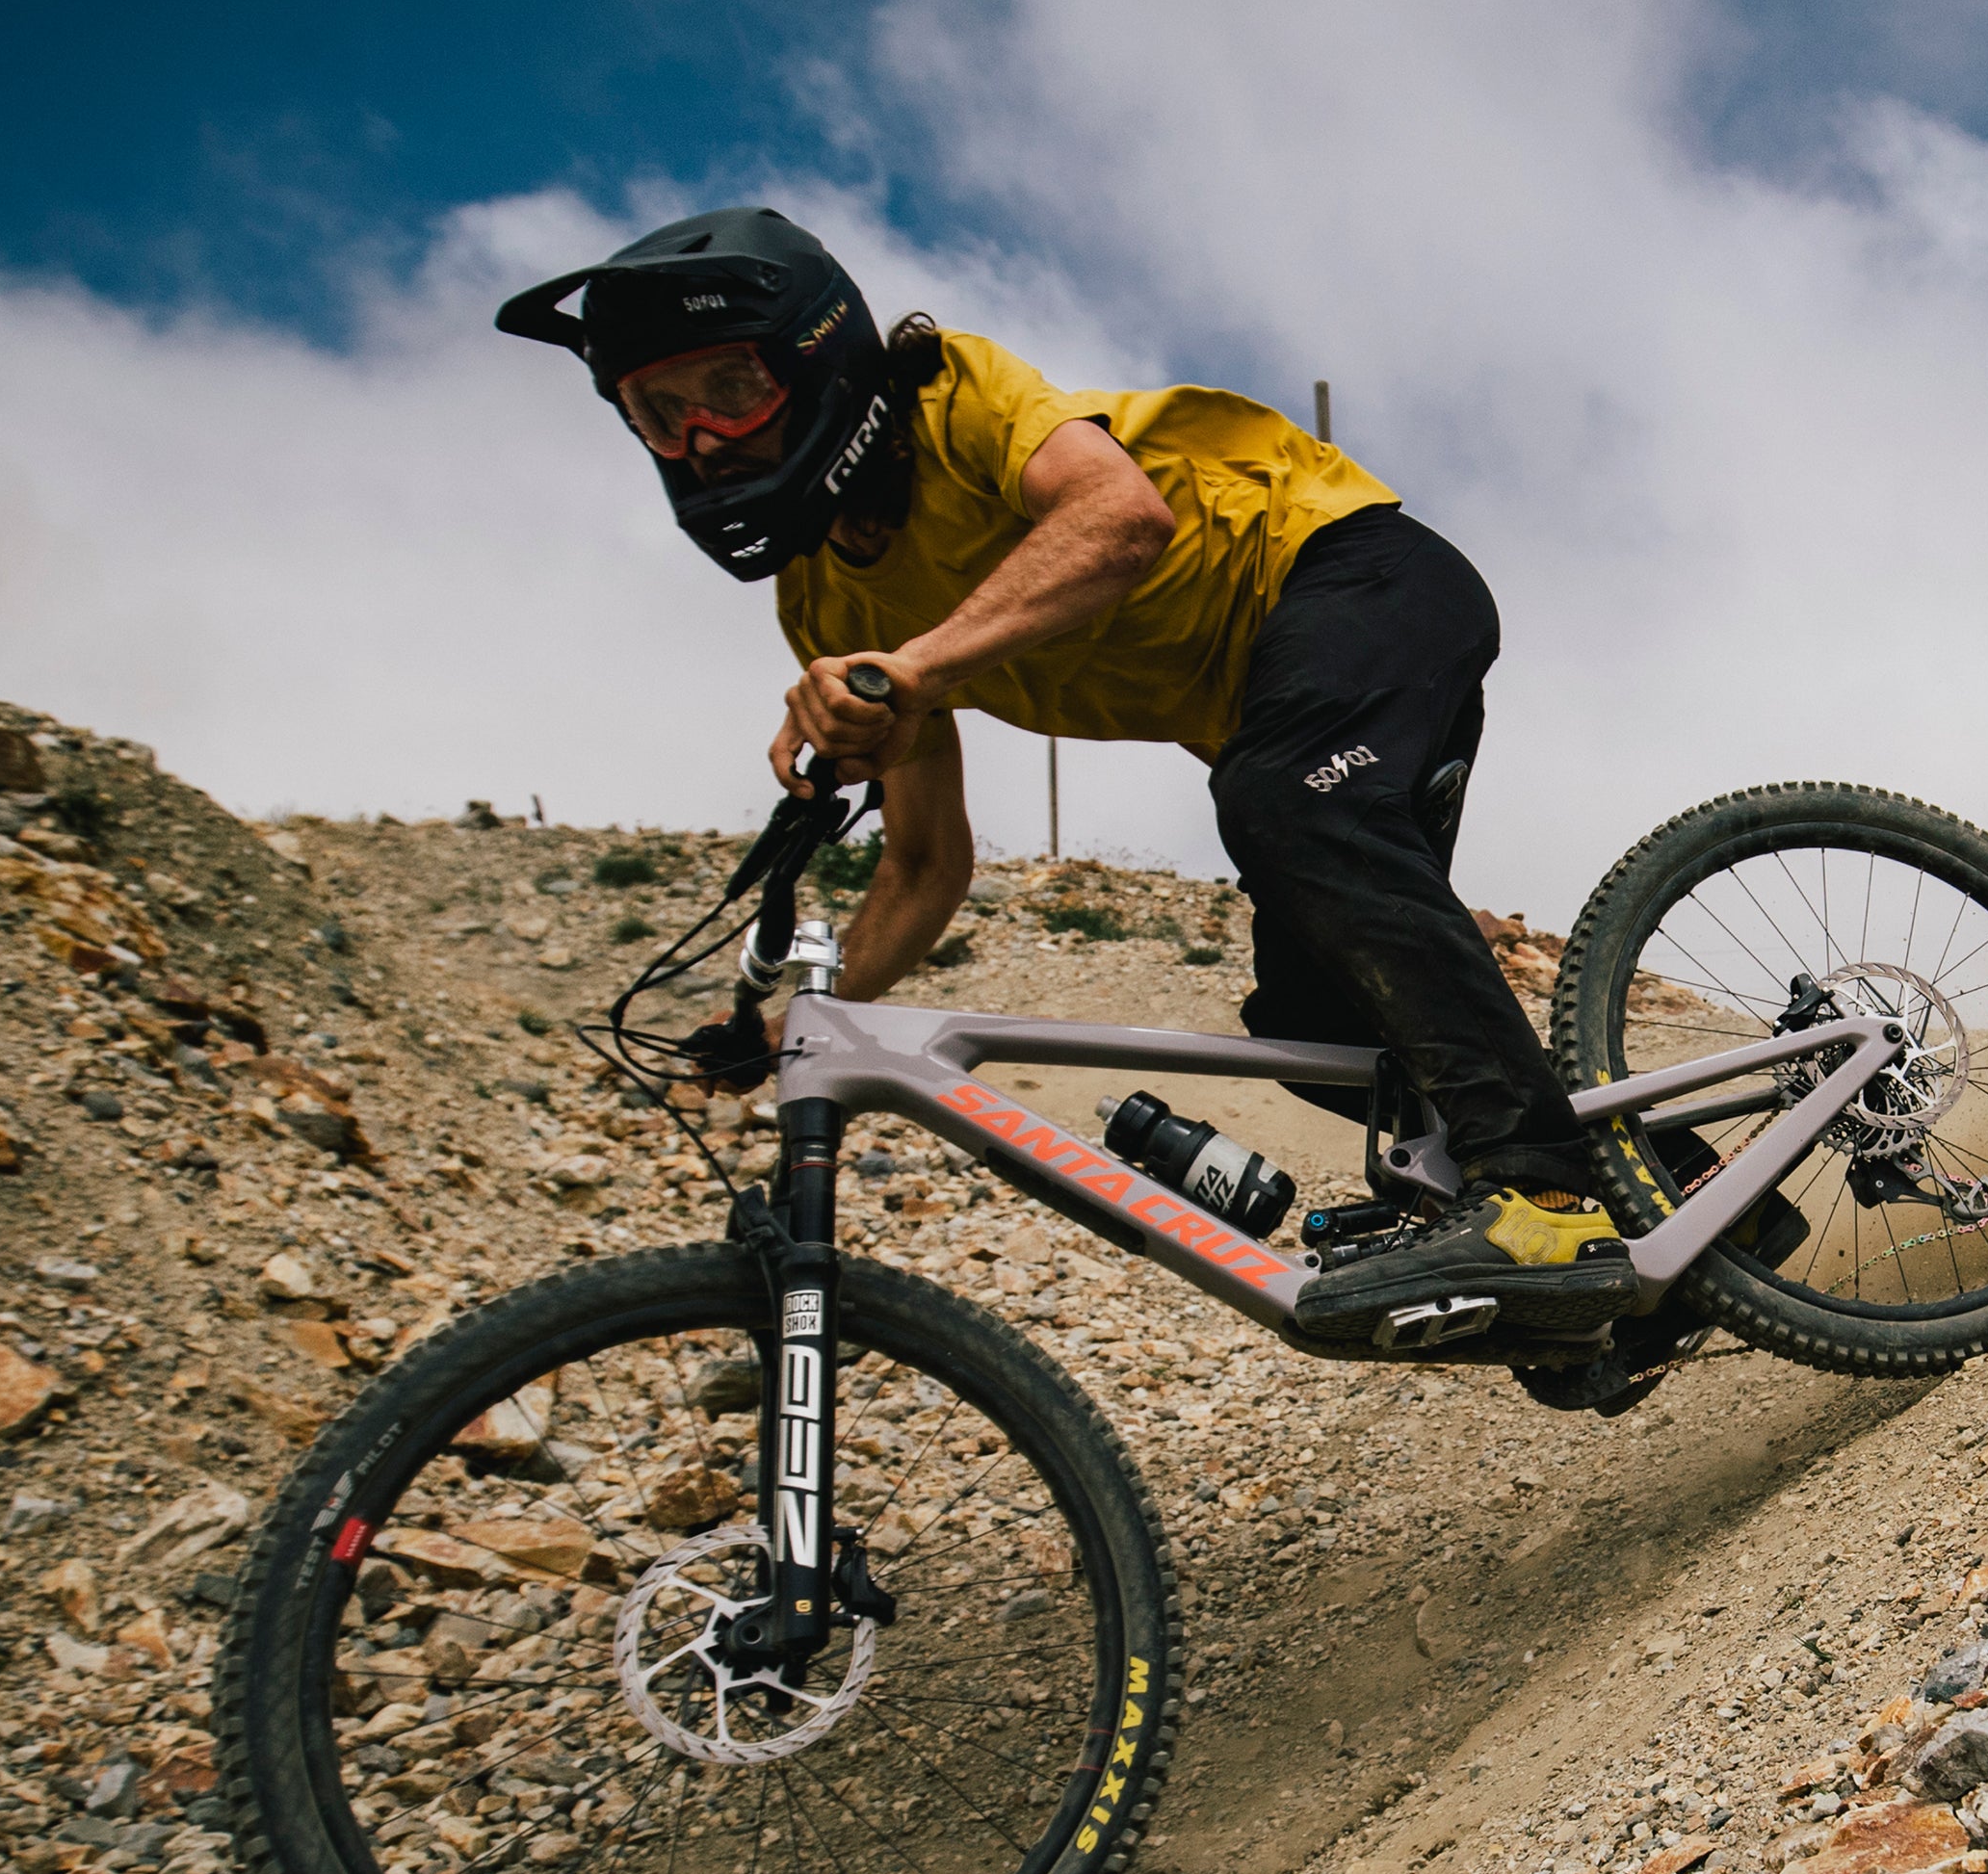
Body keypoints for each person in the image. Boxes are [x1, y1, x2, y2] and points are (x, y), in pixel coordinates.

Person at [495, 205, 1635, 1340]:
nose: (702, 438)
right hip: (1274, 723)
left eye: (728, 390)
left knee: (1279, 802)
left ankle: (1543, 1196)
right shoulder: (823, 602)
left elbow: (1118, 516)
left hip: (1355, 576)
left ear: (820, 355)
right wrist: (795, 1016)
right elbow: (928, 863)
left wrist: (914, 668)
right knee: (1310, 1020)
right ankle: (1663, 1193)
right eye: (657, 412)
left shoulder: (957, 398)